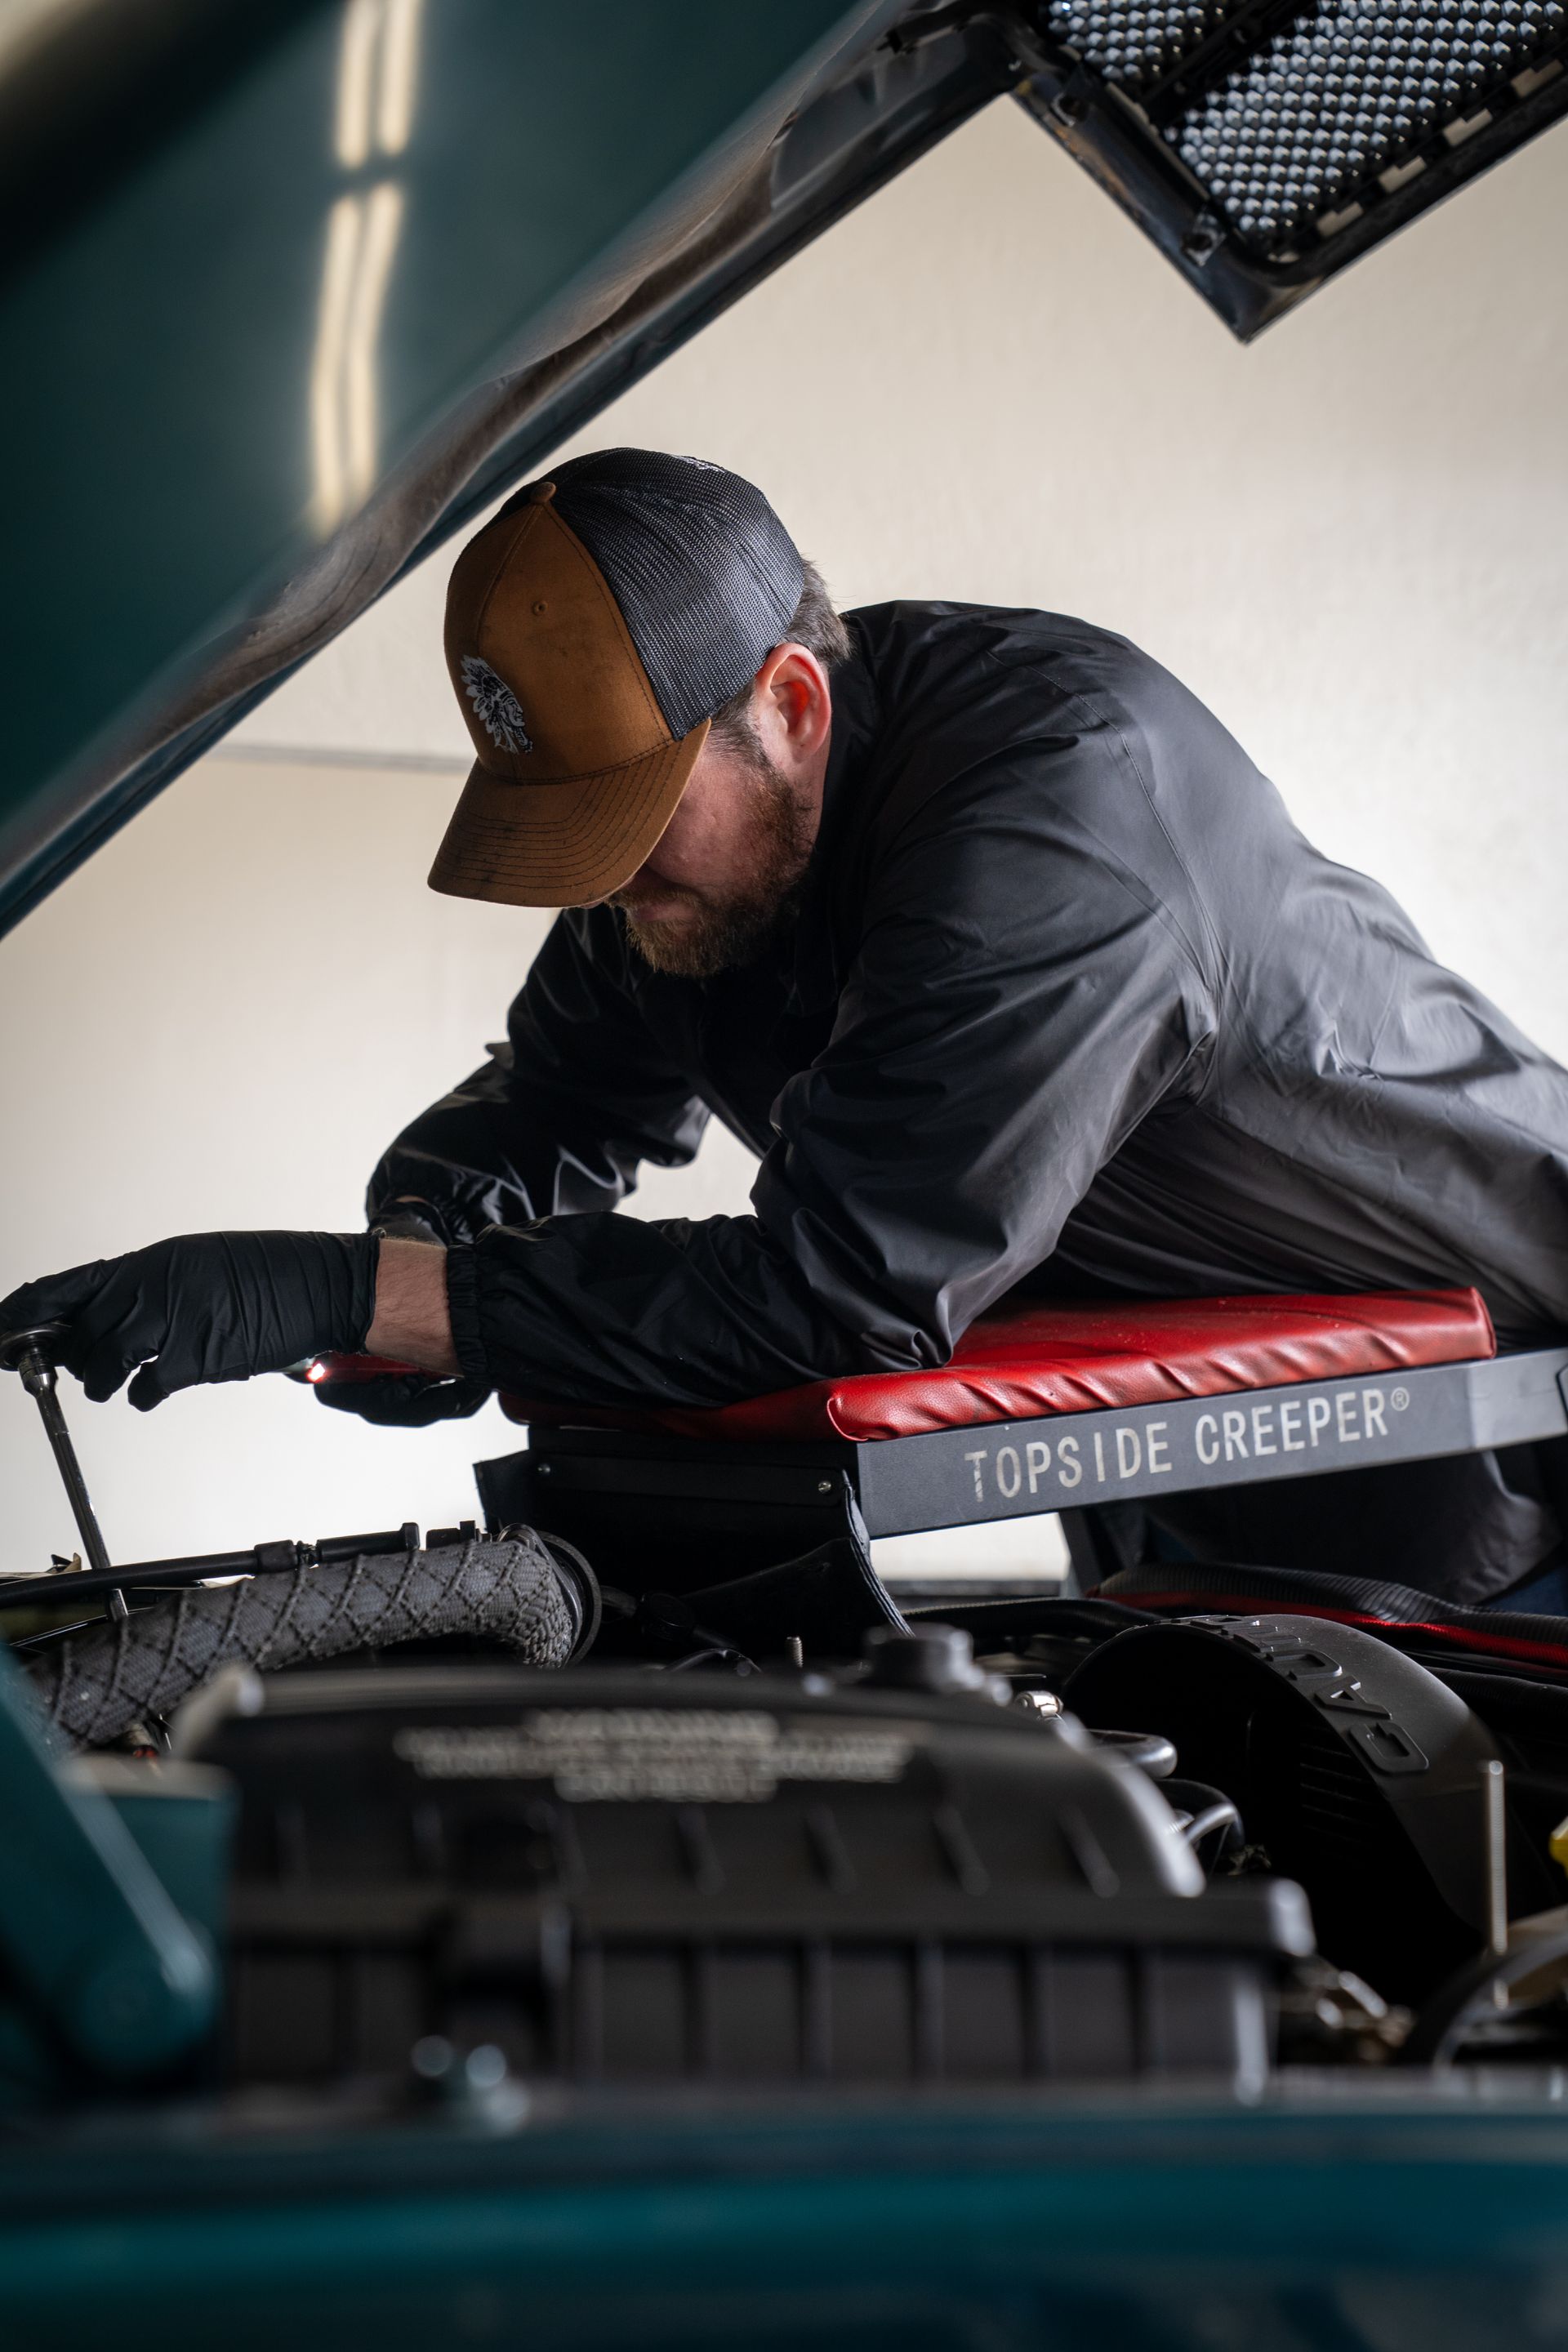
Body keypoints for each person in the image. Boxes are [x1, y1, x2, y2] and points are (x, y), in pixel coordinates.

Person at [7, 448, 1568, 1606]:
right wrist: (416, 1240)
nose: (607, 881)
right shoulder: (702, 861)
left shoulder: (1059, 815)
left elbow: (840, 1288)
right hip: (1191, 1480)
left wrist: (365, 1293)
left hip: (1501, 1460)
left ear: (794, 705)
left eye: (632, 821)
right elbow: (562, 1098)